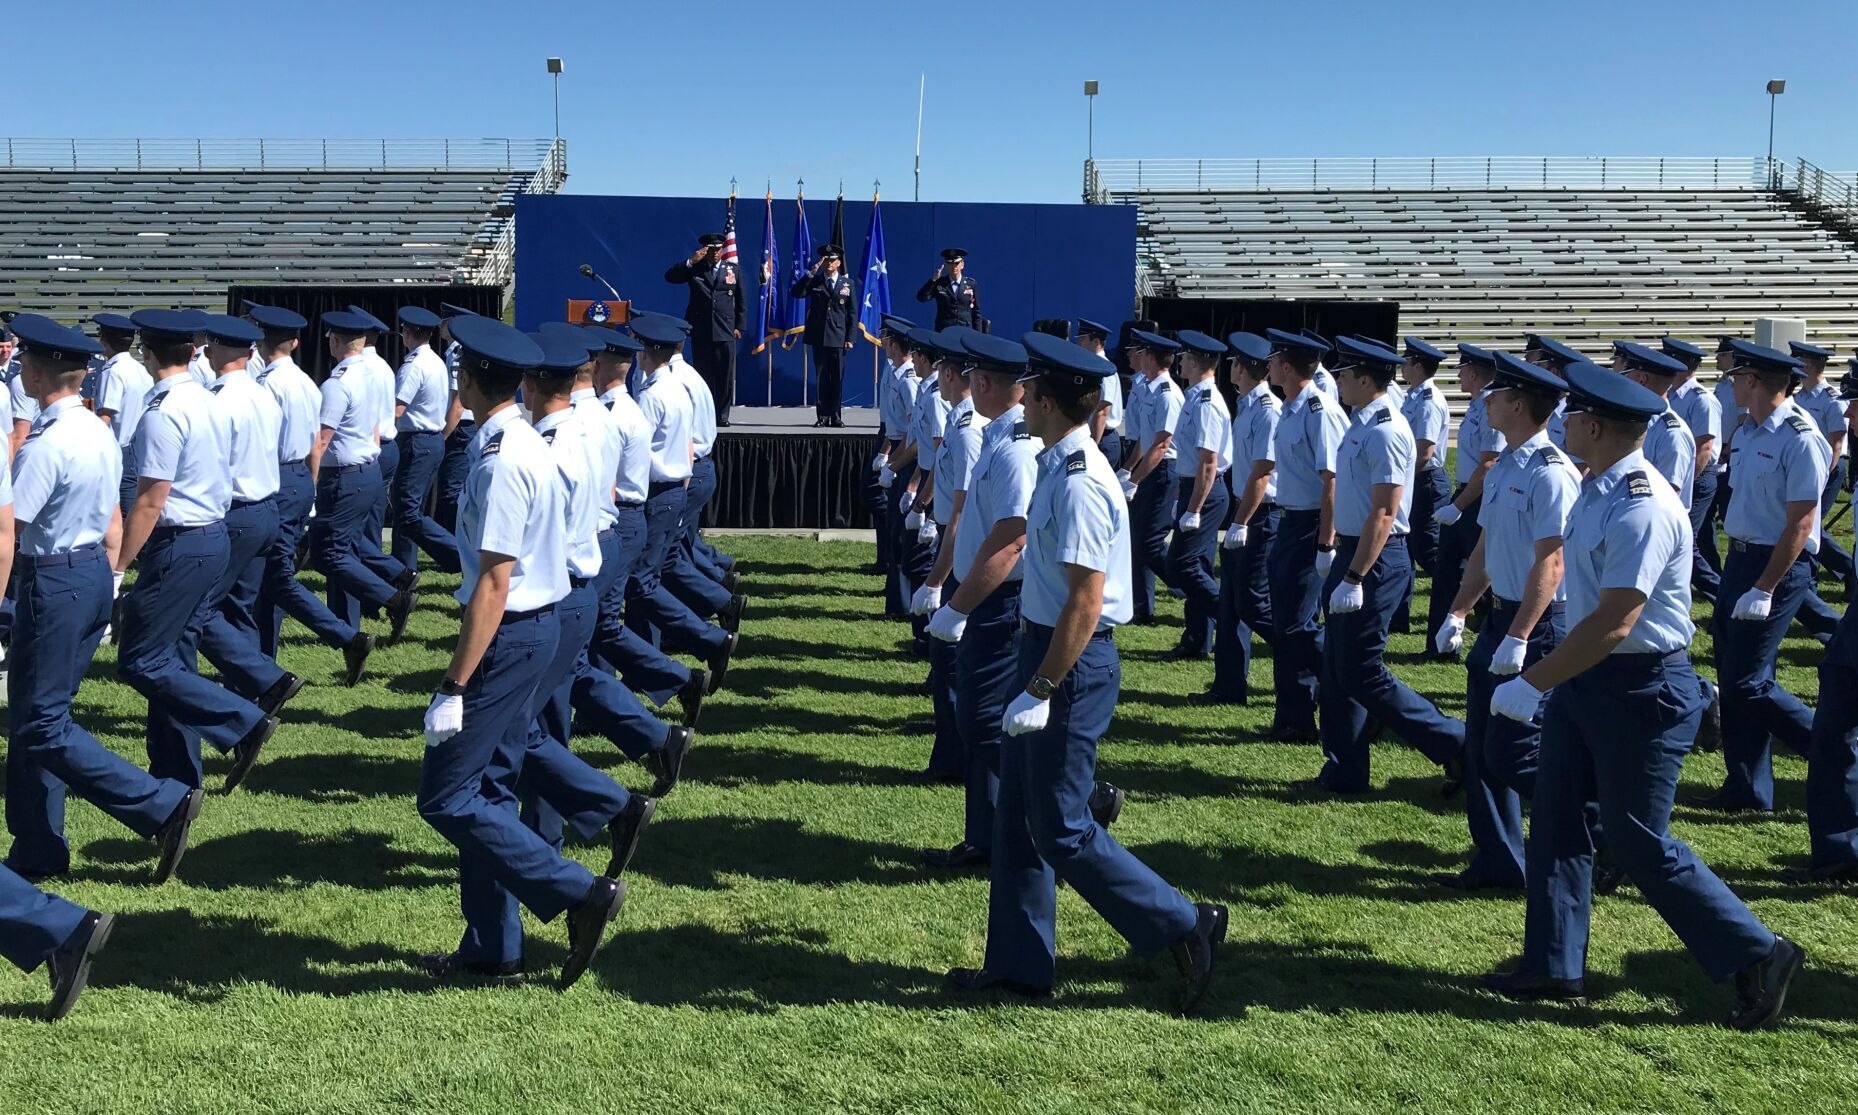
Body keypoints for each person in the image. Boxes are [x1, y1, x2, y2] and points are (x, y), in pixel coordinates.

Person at [1481, 360, 1802, 1031]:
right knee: (1559, 816)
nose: (1564, 421)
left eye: (1573, 415)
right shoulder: (1596, 486)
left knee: (1636, 840)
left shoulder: (1642, 503)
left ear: (1594, 425)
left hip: (1642, 686)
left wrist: (1534, 679)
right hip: (1590, 679)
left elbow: (1616, 618)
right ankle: (1553, 961)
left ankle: (1760, 951)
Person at [946, 330, 1225, 1015]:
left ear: (1045, 400)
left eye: (1030, 393)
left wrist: (1041, 686)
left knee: (1063, 827)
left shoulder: (1080, 482)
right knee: (1017, 817)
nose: (1021, 403)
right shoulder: (1056, 461)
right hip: (1040, 647)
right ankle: (1018, 964)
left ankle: (1187, 922)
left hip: (1068, 661)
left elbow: (1086, 598)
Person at [415, 314, 624, 988]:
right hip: (528, 627)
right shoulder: (511, 441)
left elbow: (496, 582)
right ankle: (493, 944)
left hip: (511, 632)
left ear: (472, 378)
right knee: (487, 791)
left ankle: (577, 891)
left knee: (447, 796)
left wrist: (453, 684)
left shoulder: (507, 457)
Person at [3, 314, 203, 885]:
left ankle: (156, 803)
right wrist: (112, 576)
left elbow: (11, 527)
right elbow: (115, 515)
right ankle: (38, 846)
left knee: (40, 723)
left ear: (37, 373)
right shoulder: (93, 429)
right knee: (38, 718)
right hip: (88, 570)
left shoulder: (46, 442)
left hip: (55, 578)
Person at [114, 310, 278, 792]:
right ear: (194, 351)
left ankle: (241, 721)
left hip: (181, 542)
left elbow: (149, 500)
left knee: (142, 660)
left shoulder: (164, 410)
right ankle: (176, 773)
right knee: (172, 659)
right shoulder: (209, 401)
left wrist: (119, 565)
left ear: (146, 353)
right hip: (210, 534)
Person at [1434, 352, 1580, 889]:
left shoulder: (1552, 473)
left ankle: (1593, 826)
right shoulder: (1505, 467)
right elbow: (1488, 546)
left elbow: (1552, 560)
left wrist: (1520, 635)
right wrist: (1458, 609)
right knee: (1483, 749)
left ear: (1518, 404)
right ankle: (1499, 861)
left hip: (1535, 625)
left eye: (1495, 394)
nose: (1485, 400)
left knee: (1513, 751)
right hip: (1500, 620)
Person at [1310, 337, 1466, 794]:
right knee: (1338, 669)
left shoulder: (1387, 429)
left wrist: (1356, 574)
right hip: (1356, 550)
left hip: (1376, 558)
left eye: (1344, 374)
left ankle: (1454, 741)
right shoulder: (1363, 423)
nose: (1338, 380)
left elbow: (1385, 510)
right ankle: (1344, 770)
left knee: (1362, 671)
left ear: (1363, 378)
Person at [1689, 341, 1831, 814]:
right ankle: (1748, 787)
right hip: (1742, 558)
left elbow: (1802, 524)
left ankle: (1830, 751)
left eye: (1737, 378)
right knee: (1733, 677)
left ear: (1753, 382)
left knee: (1748, 681)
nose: (1731, 385)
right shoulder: (1749, 432)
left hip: (1779, 565)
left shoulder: (1799, 436)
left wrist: (1766, 586)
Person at [924, 333, 1038, 869]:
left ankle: (1067, 804)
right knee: (978, 719)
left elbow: (1013, 539)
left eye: (972, 377)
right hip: (984, 592)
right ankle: (986, 836)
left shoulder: (1015, 446)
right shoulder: (996, 434)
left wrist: (959, 605)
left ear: (986, 383)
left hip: (1001, 600)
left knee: (984, 720)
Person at [582, 327, 710, 730]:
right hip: (637, 511)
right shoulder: (635, 405)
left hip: (625, 515)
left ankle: (673, 683)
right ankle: (663, 684)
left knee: (603, 620)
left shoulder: (624, 411)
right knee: (602, 621)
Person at [245, 304, 374, 685]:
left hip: (279, 478)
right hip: (299, 475)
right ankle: (262, 660)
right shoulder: (303, 379)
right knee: (270, 579)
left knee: (276, 577)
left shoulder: (268, 383)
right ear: (296, 342)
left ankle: (346, 637)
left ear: (258, 342)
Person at [191, 315, 303, 720]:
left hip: (236, 512)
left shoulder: (218, 399)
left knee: (196, 608)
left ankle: (265, 678)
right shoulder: (260, 394)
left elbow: (212, 464)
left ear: (213, 350)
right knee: (240, 606)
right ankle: (250, 693)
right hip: (264, 507)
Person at [623, 314, 738, 683]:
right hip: (680, 481)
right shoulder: (678, 383)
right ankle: (703, 627)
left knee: (643, 581)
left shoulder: (659, 392)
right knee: (659, 569)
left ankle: (699, 640)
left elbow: (638, 449)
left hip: (664, 488)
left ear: (646, 351)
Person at [910, 329, 988, 783]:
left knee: (954, 662)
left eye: (942, 369)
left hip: (965, 554)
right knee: (945, 662)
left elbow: (961, 512)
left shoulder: (968, 430)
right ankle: (948, 737)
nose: (937, 376)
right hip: (954, 545)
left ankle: (954, 755)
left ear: (954, 374)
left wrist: (936, 580)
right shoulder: (961, 422)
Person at [1262, 328, 1347, 742]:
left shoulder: (1320, 411)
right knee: (1285, 625)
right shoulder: (1291, 408)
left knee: (1298, 625)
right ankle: (1293, 716)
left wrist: (1326, 542)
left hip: (1312, 523)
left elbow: (1332, 481)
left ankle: (1352, 689)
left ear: (1287, 365)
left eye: (1274, 357)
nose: (1269, 364)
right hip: (1289, 520)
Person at [311, 311, 415, 640]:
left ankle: (393, 598)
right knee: (346, 547)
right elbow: (373, 427)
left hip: (345, 475)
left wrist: (310, 488)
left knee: (331, 553)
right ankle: (362, 609)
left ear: (338, 341)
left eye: (330, 337)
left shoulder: (337, 383)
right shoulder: (370, 374)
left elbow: (322, 441)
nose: (328, 340)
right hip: (366, 466)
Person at [1209, 332, 1279, 704]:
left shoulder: (1267, 408)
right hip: (1245, 507)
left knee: (1253, 603)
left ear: (1244, 368)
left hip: (1260, 513)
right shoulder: (1248, 403)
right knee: (1230, 603)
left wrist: (1241, 521)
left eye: (1234, 363)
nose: (1230, 369)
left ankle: (1310, 657)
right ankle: (1228, 685)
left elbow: (1262, 472)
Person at [1428, 345, 1506, 656]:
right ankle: (1440, 646)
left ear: (1473, 373)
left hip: (1478, 498)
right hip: (1464, 493)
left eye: (1462, 369)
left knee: (1481, 570)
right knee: (1446, 568)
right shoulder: (1478, 405)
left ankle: (1487, 630)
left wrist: (1459, 505)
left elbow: (1489, 462)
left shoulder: (1491, 406)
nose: (1459, 374)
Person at [1163, 331, 1232, 659]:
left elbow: (1208, 461)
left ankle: (1229, 618)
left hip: (1205, 490)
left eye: (1185, 357)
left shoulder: (1207, 402)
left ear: (1194, 361)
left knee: (1181, 565)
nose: (1180, 362)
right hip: (1194, 487)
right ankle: (1197, 639)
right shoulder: (1194, 396)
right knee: (1197, 565)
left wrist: (1194, 507)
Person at [1119, 330, 1183, 630]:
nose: (1137, 357)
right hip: (1148, 468)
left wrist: (1136, 479)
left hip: (1163, 472)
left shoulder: (1168, 394)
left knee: (1150, 544)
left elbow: (1161, 444)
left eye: (1142, 353)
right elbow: (1144, 440)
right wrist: (1128, 470)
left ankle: (1185, 583)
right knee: (1138, 541)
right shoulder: (1148, 388)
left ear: (1152, 358)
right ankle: (1142, 607)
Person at [391, 306, 461, 576]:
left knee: (407, 510)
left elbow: (398, 410)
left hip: (416, 440)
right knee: (409, 509)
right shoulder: (434, 360)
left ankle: (458, 554)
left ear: (407, 333)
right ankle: (402, 568)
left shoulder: (414, 365)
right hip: (431, 438)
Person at [1396, 339, 1451, 633]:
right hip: (1417, 478)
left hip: (1425, 480)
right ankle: (1399, 615)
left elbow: (1424, 450)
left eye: (1407, 361)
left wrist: (1402, 480)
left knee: (1429, 551)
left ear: (1418, 365)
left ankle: (1469, 604)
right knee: (1408, 545)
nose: (1403, 366)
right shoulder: (1415, 395)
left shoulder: (1429, 399)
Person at [1665, 337, 1723, 604]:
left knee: (1684, 543)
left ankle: (1723, 598)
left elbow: (1704, 448)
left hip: (1697, 478)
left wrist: (1685, 483)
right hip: (1681, 477)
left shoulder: (1701, 399)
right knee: (1689, 543)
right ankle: (1724, 598)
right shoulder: (1673, 395)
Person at [665, 232, 744, 427]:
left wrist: (739, 326)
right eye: (711, 249)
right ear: (704, 250)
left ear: (723, 250)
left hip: (725, 329)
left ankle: (722, 415)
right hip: (702, 328)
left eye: (718, 249)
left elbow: (741, 301)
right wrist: (690, 261)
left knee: (725, 376)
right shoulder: (695, 269)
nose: (715, 253)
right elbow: (670, 277)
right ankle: (705, 415)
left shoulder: (732, 269)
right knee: (704, 375)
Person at [1792, 340, 1851, 591]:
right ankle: (1848, 571)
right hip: (1807, 469)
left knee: (1811, 526)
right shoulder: (1799, 397)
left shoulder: (1832, 400)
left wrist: (1822, 477)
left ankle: (1841, 572)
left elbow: (1836, 445)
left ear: (1808, 365)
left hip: (1829, 469)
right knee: (1811, 527)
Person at [873, 315, 920, 617]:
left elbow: (914, 430)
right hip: (897, 450)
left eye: (887, 341)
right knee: (893, 529)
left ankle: (902, 605)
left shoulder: (910, 381)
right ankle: (896, 600)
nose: (884, 345)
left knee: (901, 533)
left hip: (908, 459)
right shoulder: (899, 375)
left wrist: (891, 459)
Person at [1612, 343, 1695, 508]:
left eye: (1627, 376)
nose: (1623, 382)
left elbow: (1667, 498)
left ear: (1642, 380)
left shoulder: (1671, 433)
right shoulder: (1638, 422)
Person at [87, 314, 152, 518]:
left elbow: (105, 416)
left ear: (103, 340)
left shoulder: (112, 372)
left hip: (120, 447)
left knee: (121, 510)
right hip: (139, 444)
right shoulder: (140, 368)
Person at [792, 244, 857, 428]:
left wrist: (850, 338)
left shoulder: (847, 284)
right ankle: (822, 416)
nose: (829, 263)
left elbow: (852, 313)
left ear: (838, 263)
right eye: (826, 260)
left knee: (836, 378)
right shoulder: (816, 281)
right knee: (821, 378)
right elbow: (796, 293)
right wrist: (810, 273)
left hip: (838, 336)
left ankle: (835, 415)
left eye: (832, 260)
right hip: (818, 336)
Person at [433, 304, 480, 534]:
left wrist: (442, 437)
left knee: (452, 491)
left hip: (460, 428)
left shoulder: (458, 353)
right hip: (462, 428)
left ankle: (455, 548)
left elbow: (458, 404)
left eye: (444, 321)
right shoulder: (455, 351)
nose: (440, 326)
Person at [1074, 319, 1124, 461]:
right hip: (1095, 434)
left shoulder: (1104, 369)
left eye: (1082, 340)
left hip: (1102, 438)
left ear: (1096, 342)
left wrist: (1092, 448)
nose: (1079, 344)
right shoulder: (1093, 367)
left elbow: (1102, 411)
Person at [915, 248, 980, 330]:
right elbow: (921, 297)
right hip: (945, 331)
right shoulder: (940, 284)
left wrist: (978, 336)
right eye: (950, 263)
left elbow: (976, 312)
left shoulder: (971, 284)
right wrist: (933, 280)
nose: (954, 266)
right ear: (945, 265)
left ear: (962, 264)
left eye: (957, 263)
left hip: (965, 330)